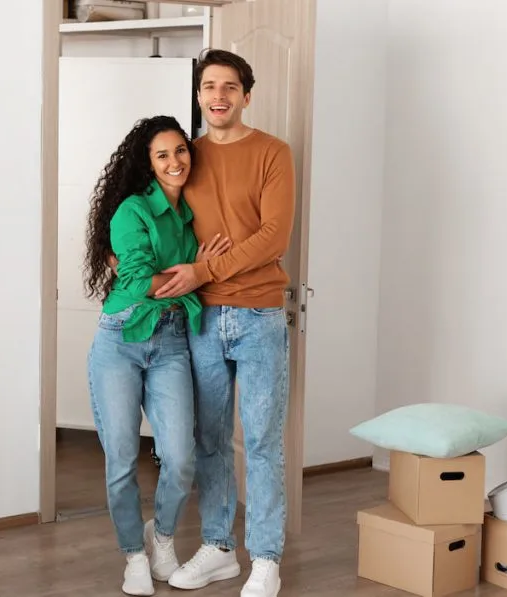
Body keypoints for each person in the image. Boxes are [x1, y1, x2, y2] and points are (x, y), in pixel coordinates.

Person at [153, 49, 297, 597]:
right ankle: (218, 548)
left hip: (258, 313)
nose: (218, 96)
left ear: (246, 95)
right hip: (202, 316)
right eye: (209, 86)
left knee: (260, 442)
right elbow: (156, 216)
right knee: (209, 439)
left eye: (229, 87)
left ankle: (265, 557)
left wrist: (204, 267)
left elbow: (273, 237)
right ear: (198, 95)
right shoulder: (186, 158)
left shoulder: (272, 153)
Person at [83, 114, 231, 596]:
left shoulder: (194, 214)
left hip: (170, 342)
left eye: (181, 151)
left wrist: (190, 269)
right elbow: (136, 280)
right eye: (162, 155)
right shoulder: (131, 211)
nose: (174, 162)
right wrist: (197, 270)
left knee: (180, 455)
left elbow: (162, 277)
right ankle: (133, 556)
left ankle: (161, 538)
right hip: (121, 339)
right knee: (122, 458)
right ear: (148, 164)